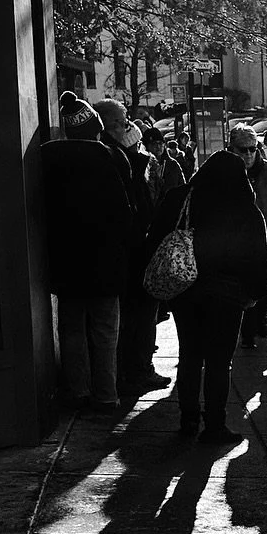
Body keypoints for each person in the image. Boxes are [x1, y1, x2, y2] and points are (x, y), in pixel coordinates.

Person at [144, 148, 267, 441]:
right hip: (229, 296)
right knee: (219, 362)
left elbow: (155, 239)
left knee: (190, 355)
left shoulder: (180, 198)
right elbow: (259, 257)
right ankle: (215, 425)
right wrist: (257, 293)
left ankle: (188, 421)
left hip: (185, 291)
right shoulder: (245, 208)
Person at [41, 92, 133, 412]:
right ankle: (105, 394)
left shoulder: (47, 157)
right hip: (105, 263)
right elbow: (125, 214)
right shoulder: (112, 158)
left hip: (66, 262)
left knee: (71, 329)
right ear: (96, 127)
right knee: (106, 330)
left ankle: (77, 391)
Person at [97, 95, 169, 396]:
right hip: (130, 253)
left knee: (136, 317)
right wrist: (136, 158)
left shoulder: (119, 155)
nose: (131, 129)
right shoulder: (114, 158)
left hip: (130, 251)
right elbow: (136, 204)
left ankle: (135, 367)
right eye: (125, 124)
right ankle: (136, 369)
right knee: (137, 318)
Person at [225, 122, 267, 351]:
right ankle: (247, 332)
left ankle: (258, 318)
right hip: (236, 246)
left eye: (254, 148)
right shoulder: (225, 173)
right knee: (243, 292)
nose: (250, 154)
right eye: (244, 149)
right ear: (232, 149)